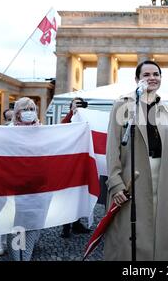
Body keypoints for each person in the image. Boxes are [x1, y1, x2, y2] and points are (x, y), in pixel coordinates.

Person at [104, 60, 168, 261]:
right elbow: (112, 147)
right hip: (131, 177)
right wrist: (115, 184)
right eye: (146, 75)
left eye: (156, 74)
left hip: (162, 175)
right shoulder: (123, 104)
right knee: (132, 233)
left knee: (158, 228)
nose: (152, 78)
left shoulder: (167, 110)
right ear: (137, 79)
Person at [4, 97, 46, 261]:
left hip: (36, 186)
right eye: (25, 109)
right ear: (17, 113)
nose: (29, 113)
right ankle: (17, 258)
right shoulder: (8, 131)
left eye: (32, 109)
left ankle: (26, 258)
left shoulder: (43, 131)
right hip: (13, 187)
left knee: (32, 224)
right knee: (15, 226)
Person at [60, 97, 91, 238]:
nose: (78, 105)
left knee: (80, 193)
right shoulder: (68, 118)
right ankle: (66, 225)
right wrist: (72, 112)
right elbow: (62, 129)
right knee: (68, 194)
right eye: (75, 103)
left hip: (83, 162)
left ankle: (77, 223)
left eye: (80, 103)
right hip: (69, 163)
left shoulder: (87, 117)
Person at [0, 107, 15, 256]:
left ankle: (21, 242)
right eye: (8, 119)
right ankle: (1, 241)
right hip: (6, 178)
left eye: (13, 118)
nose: (10, 122)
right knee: (5, 210)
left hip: (24, 179)